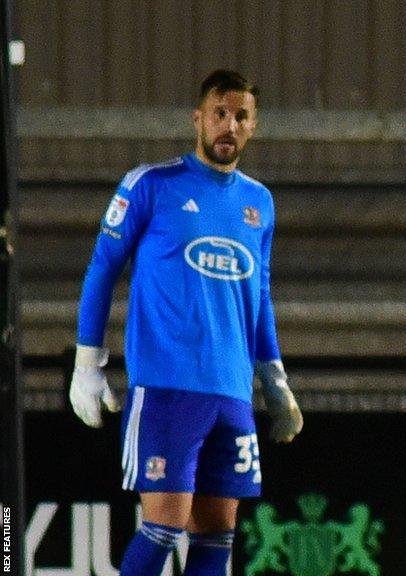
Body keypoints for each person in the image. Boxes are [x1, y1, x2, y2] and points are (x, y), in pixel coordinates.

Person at [70, 69, 303, 576]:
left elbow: (259, 296)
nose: (230, 126)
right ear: (198, 119)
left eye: (241, 116)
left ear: (253, 126)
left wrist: (274, 381)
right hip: (166, 387)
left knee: (218, 532)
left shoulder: (259, 203)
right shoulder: (151, 185)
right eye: (220, 113)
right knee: (164, 526)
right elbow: (102, 269)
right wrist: (87, 364)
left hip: (232, 393)